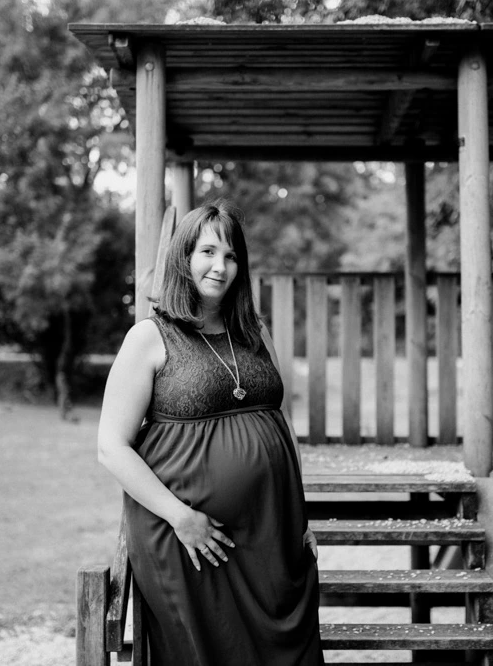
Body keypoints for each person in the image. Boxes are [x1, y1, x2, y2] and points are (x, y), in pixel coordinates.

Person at [97, 200, 324, 665]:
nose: (220, 267)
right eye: (207, 252)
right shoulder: (150, 337)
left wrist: (299, 515)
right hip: (191, 537)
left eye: (231, 256)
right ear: (184, 258)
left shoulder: (255, 332)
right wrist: (182, 518)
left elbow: (281, 425)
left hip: (269, 532)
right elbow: (110, 448)